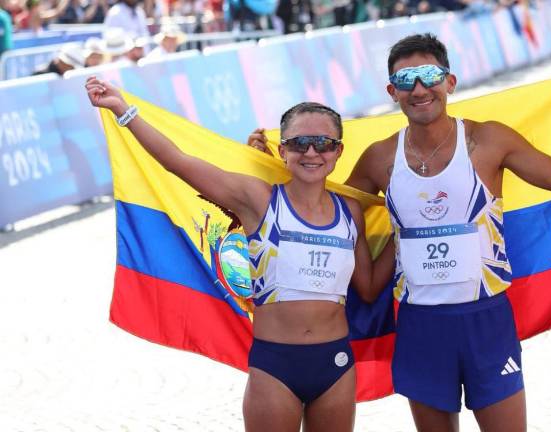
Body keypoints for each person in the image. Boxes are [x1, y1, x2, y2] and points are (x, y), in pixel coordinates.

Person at [248, 32, 551, 432]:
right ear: (392, 92)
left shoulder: (487, 140)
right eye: (405, 80)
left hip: (485, 319)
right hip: (420, 324)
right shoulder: (380, 157)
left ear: (449, 82)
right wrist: (271, 171)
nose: (418, 88)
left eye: (428, 75)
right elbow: (323, 205)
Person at [85, 77, 395, 432]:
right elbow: (178, 162)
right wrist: (124, 110)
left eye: (323, 143)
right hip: (275, 366)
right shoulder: (257, 199)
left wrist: (406, 232)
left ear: (338, 151)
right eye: (299, 143)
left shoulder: (351, 211)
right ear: (283, 151)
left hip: (336, 363)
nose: (311, 153)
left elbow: (368, 287)